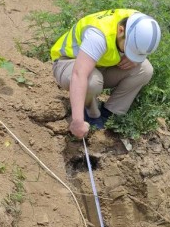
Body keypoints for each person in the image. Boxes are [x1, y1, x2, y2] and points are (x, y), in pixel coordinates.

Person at [50, 8, 161, 138]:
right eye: (129, 47)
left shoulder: (141, 24)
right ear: (121, 31)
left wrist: (135, 58)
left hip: (100, 64)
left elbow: (142, 45)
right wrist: (77, 122)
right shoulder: (98, 36)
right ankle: (89, 114)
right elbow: (79, 75)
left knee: (145, 70)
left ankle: (108, 114)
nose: (128, 51)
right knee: (92, 82)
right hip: (69, 63)